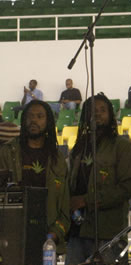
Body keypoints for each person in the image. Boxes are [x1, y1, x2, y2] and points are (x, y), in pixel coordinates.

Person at [66, 94, 131, 265]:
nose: (97, 114)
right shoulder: (78, 148)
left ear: (111, 115)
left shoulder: (122, 147)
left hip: (108, 233)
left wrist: (86, 201)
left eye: (102, 110)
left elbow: (128, 187)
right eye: (92, 111)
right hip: (77, 232)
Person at [0, 100, 71, 254]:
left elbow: (65, 209)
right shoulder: (7, 153)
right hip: (11, 240)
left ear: (48, 122)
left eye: (40, 116)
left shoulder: (57, 159)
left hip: (47, 242)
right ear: (24, 119)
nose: (34, 120)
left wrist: (53, 236)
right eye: (30, 116)